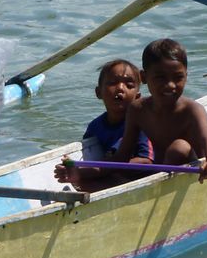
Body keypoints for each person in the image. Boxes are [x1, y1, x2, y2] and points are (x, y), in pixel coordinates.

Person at [113, 38, 207, 182]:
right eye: (160, 78)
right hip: (161, 170)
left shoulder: (193, 110)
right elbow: (122, 156)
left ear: (186, 77)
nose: (170, 85)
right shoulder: (137, 109)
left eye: (178, 77)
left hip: (196, 168)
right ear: (143, 77)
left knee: (179, 147)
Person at [54, 59, 152, 189]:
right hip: (108, 173)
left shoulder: (141, 123)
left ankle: (80, 178)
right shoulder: (95, 127)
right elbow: (89, 156)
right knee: (85, 183)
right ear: (98, 93)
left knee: (104, 181)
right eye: (112, 83)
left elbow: (146, 162)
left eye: (129, 85)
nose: (120, 89)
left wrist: (112, 167)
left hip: (137, 177)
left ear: (137, 97)